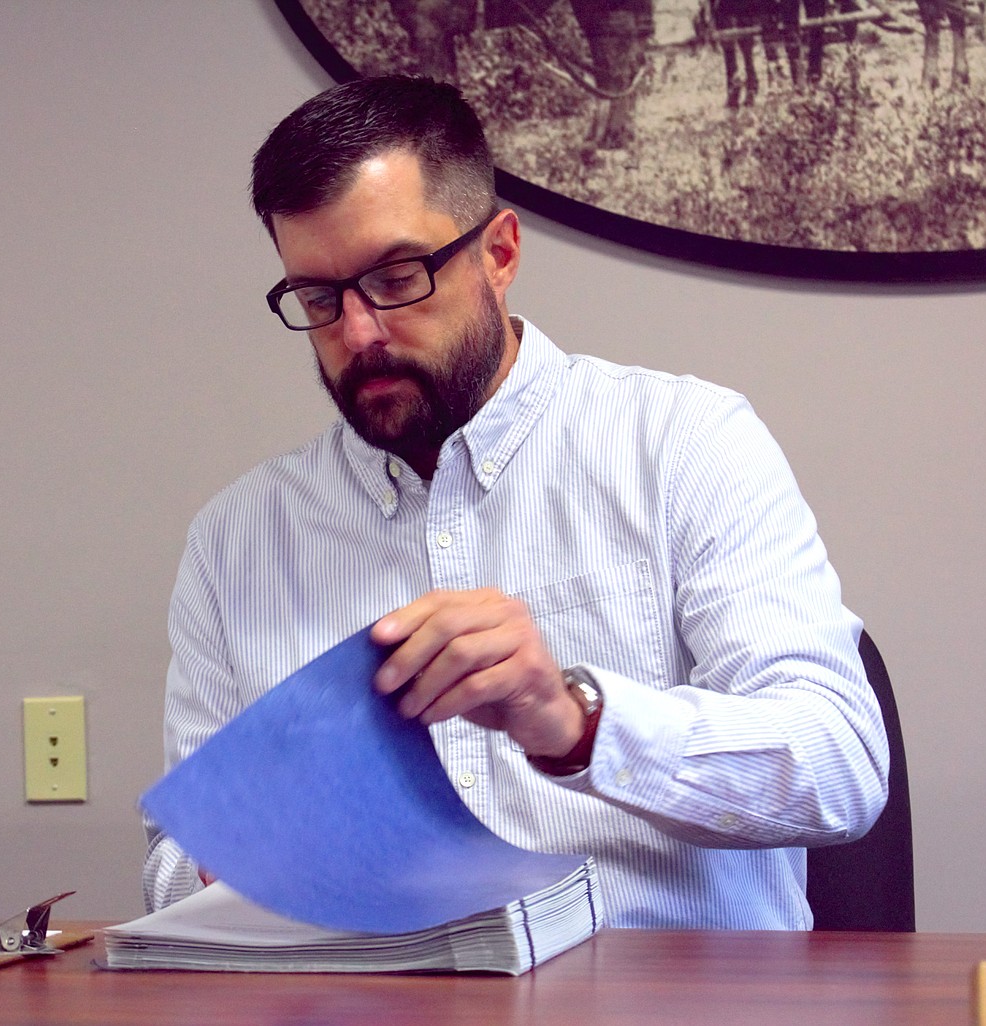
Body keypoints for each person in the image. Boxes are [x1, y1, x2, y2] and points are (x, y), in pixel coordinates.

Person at [143, 76, 888, 928]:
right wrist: (239, 853)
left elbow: (842, 767)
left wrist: (572, 722)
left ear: (498, 253)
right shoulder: (238, 539)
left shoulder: (685, 443)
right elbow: (169, 865)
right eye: (319, 298)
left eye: (397, 276)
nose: (357, 334)